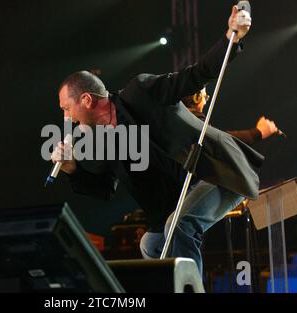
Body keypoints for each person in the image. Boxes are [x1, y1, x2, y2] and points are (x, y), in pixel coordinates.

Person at [50, 5, 260, 274]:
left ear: (87, 100)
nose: (66, 117)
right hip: (178, 199)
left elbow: (195, 76)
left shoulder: (141, 92)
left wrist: (232, 38)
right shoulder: (104, 139)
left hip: (215, 172)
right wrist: (73, 169)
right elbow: (104, 188)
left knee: (179, 225)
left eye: (66, 108)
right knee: (152, 243)